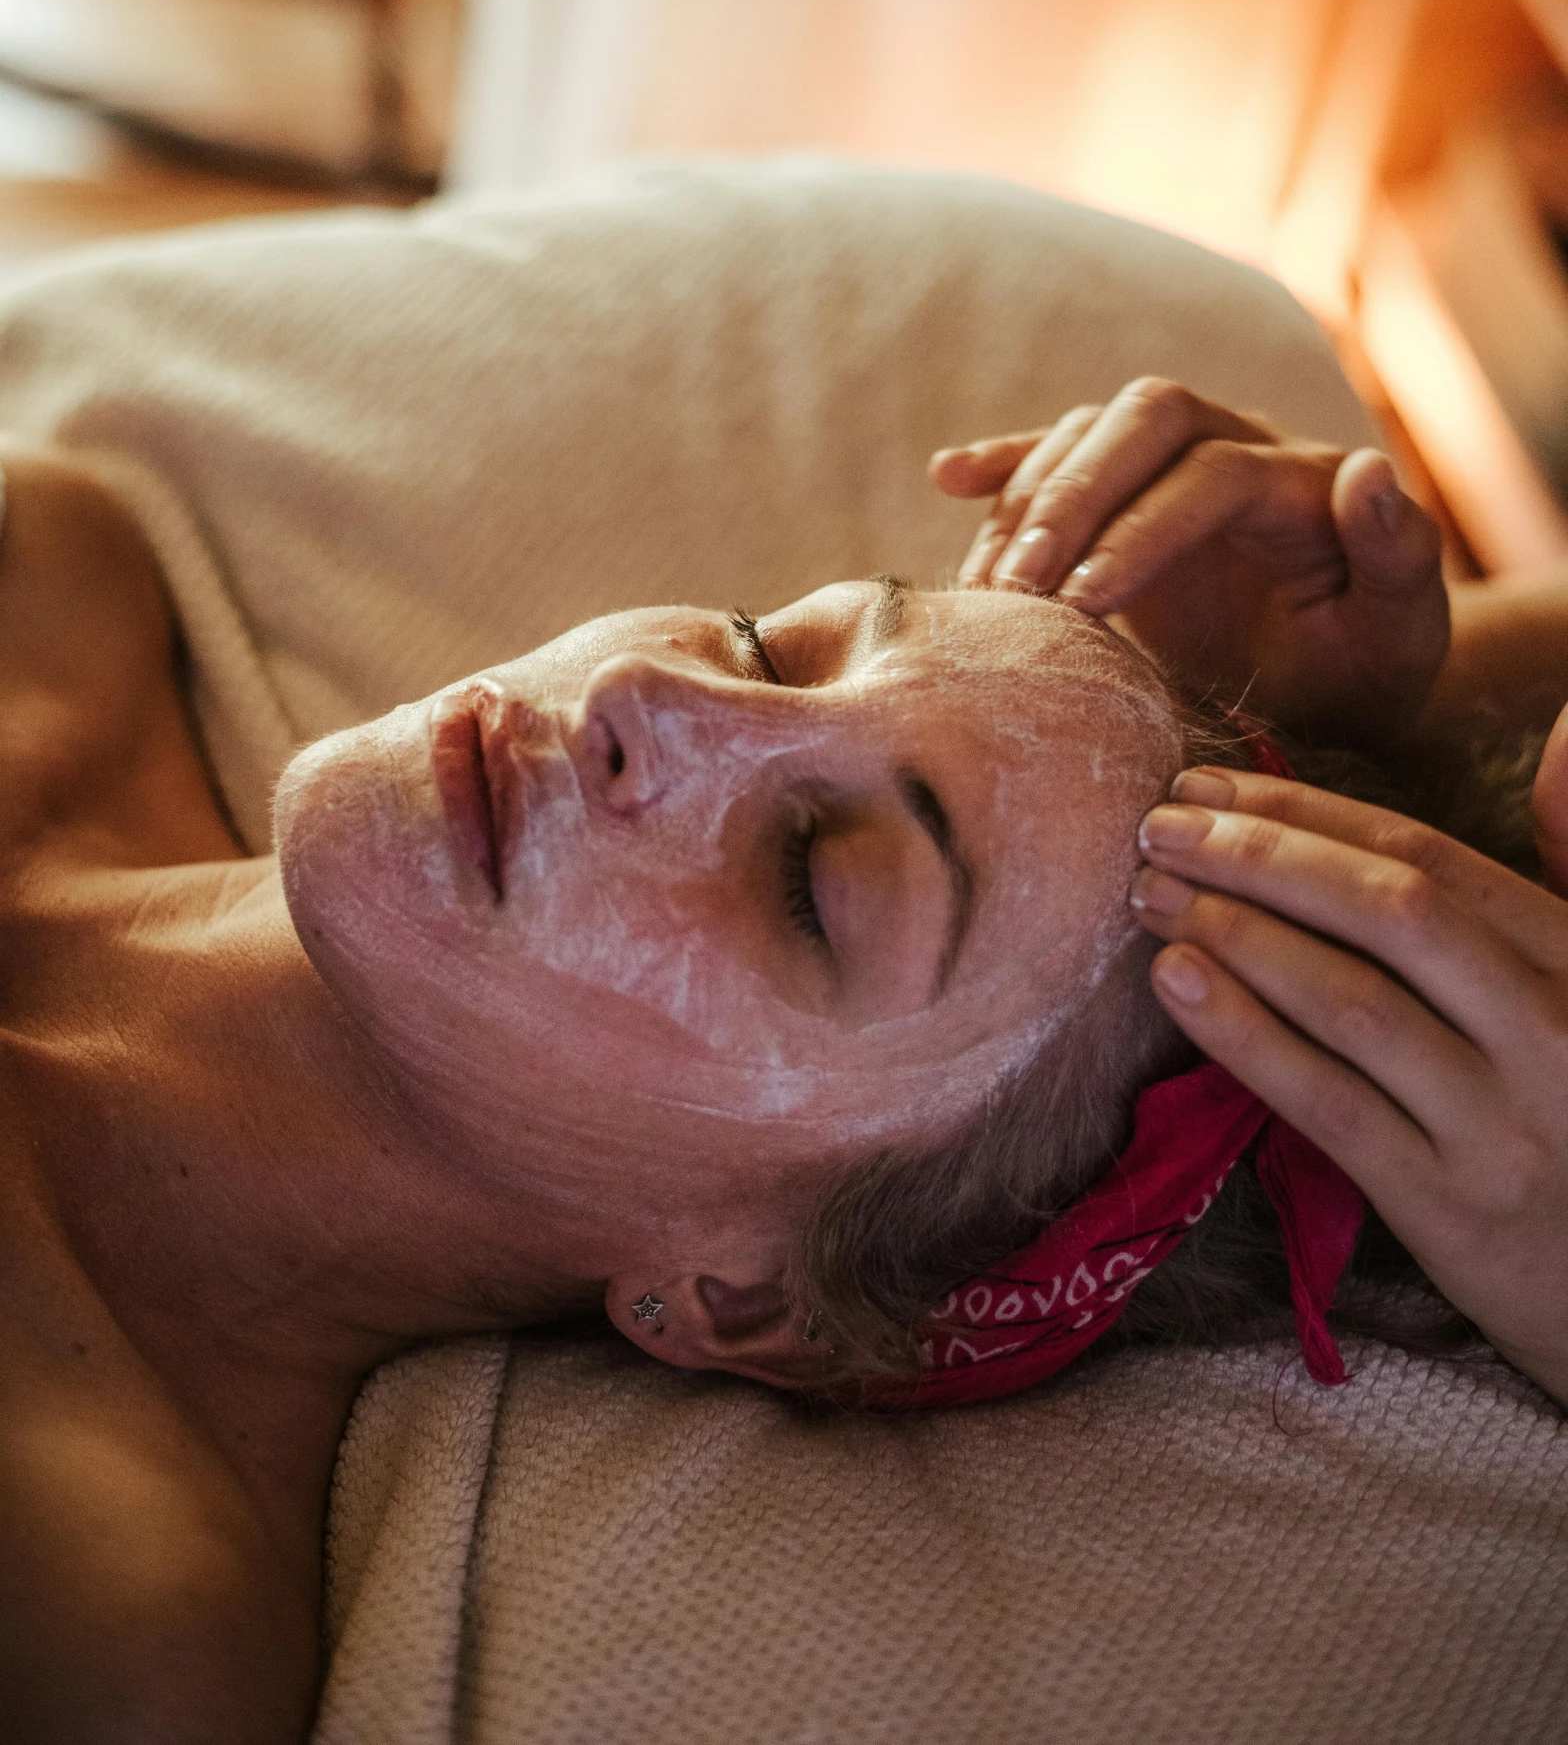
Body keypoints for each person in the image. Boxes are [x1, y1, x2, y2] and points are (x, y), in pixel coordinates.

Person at [2, 376, 1565, 1742]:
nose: (641, 699)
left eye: (813, 882)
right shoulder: (49, 578)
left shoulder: (97, 1620)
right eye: (770, 649)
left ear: (750, 1305)